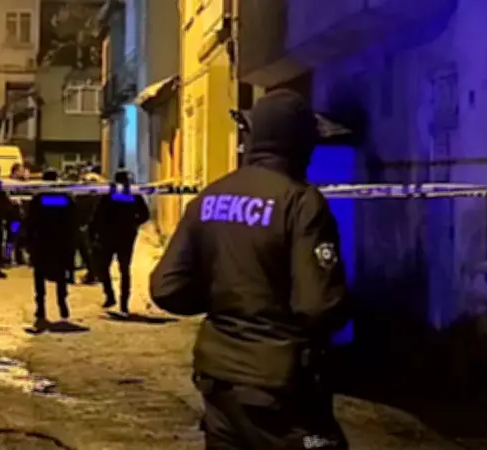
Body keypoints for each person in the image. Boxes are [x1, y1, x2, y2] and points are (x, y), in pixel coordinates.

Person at [149, 89, 350, 449]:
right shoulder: (301, 202)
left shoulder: (210, 197)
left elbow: (167, 287)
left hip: (218, 379)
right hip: (278, 387)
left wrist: (225, 298)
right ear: (298, 144)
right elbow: (317, 306)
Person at [90, 169, 150, 314]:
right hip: (124, 236)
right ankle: (122, 303)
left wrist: (93, 233)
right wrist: (134, 224)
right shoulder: (132, 195)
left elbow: (98, 215)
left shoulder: (110, 195)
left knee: (104, 267)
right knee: (123, 269)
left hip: (110, 236)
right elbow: (144, 214)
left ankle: (112, 297)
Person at [25, 168, 77, 325]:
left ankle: (40, 307)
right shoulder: (65, 198)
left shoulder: (39, 198)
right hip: (60, 241)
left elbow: (30, 221)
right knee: (61, 275)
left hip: (42, 240)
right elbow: (73, 220)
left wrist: (28, 241)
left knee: (39, 275)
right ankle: (62, 303)